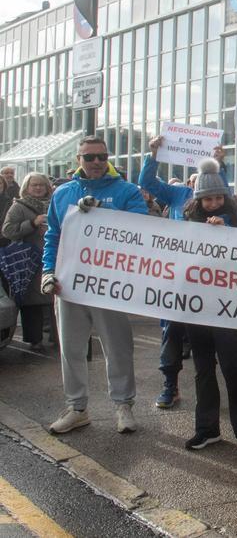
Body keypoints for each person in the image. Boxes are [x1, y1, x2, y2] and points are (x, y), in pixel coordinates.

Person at [41, 135, 149, 435]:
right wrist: (48, 271)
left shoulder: (126, 191)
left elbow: (142, 230)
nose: (97, 162)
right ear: (79, 160)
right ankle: (77, 408)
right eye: (90, 157)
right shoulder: (63, 193)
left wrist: (102, 214)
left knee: (117, 347)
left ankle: (123, 405)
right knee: (71, 349)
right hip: (69, 282)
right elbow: (53, 236)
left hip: (109, 284)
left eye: (102, 156)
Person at [140, 135, 229, 410]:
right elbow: (147, 184)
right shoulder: (178, 195)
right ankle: (170, 386)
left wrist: (220, 162)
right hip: (178, 281)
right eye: (196, 183)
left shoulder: (222, 203)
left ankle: (228, 387)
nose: (200, 191)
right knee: (171, 334)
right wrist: (153, 155)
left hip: (213, 283)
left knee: (214, 339)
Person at [179, 160, 237, 452]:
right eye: (207, 198)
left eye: (218, 197)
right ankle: (207, 429)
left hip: (230, 308)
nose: (213, 203)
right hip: (197, 308)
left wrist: (226, 233)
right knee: (203, 371)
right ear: (198, 200)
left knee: (235, 372)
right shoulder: (187, 222)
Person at [2, 172, 55, 350]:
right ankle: (35, 339)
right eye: (34, 185)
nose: (38, 188)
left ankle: (58, 338)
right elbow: (8, 231)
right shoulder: (18, 206)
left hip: (53, 258)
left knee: (55, 300)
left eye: (42, 184)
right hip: (29, 261)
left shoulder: (55, 203)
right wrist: (32, 223)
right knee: (32, 303)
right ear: (27, 187)